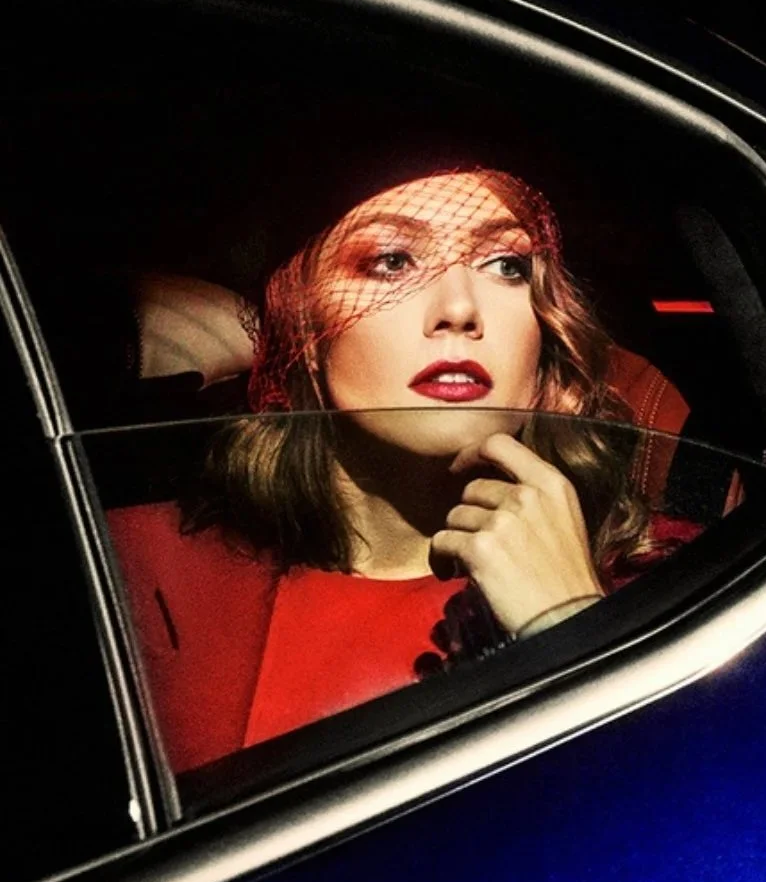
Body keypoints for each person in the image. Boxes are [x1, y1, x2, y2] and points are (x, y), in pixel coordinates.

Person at [107, 164, 697, 773]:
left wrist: (570, 624)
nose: (461, 309)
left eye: (506, 265)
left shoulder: (678, 586)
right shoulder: (130, 571)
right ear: (303, 328)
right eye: (391, 261)